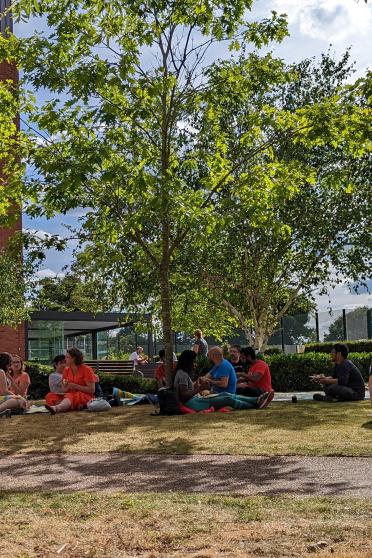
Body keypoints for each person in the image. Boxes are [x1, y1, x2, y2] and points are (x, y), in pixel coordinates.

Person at [173, 350, 274, 412]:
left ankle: (257, 400)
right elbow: (184, 396)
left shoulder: (222, 365)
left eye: (210, 356)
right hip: (193, 403)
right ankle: (256, 403)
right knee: (227, 399)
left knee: (226, 395)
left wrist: (200, 386)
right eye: (194, 362)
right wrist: (200, 387)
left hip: (196, 399)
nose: (195, 364)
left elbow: (222, 383)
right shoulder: (182, 374)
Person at [45, 348, 95, 414]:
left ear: (73, 358)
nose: (65, 359)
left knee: (72, 396)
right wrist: (66, 387)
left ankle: (56, 408)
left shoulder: (86, 369)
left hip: (84, 396)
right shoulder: (66, 370)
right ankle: (71, 406)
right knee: (50, 396)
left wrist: (75, 386)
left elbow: (91, 390)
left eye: (67, 357)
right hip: (69, 395)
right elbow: (63, 389)